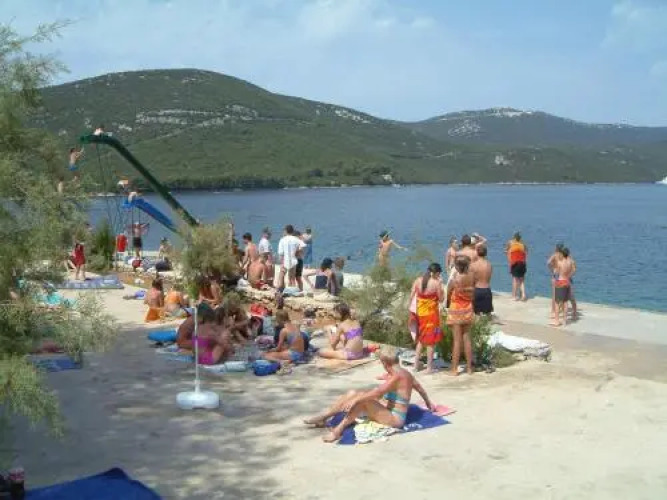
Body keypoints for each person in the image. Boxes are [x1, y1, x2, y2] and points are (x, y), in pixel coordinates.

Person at [304, 346, 435, 443]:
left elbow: (378, 392)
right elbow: (420, 389)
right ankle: (324, 416)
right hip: (387, 409)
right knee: (354, 393)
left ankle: (338, 430)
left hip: (395, 419)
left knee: (363, 400)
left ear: (385, 363)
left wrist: (356, 401)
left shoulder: (397, 377)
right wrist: (429, 403)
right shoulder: (405, 373)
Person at [409, 263, 445, 374]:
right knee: (431, 341)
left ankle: (415, 366)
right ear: (436, 273)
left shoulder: (418, 280)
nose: (439, 276)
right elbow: (441, 299)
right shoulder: (436, 283)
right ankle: (429, 368)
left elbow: (411, 296)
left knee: (421, 339)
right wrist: (441, 285)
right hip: (431, 315)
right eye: (439, 274)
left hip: (420, 313)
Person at [447, 256, 476, 376]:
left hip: (456, 309)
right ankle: (469, 368)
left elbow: (449, 291)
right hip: (468, 308)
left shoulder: (455, 278)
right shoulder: (472, 277)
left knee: (457, 341)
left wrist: (448, 303)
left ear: (457, 266)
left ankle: (454, 369)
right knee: (467, 338)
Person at [277, 224, 305, 291]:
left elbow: (281, 253)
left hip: (285, 260)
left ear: (286, 231)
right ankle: (292, 291)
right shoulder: (296, 239)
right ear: (292, 231)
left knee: (281, 276)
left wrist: (281, 263)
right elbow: (302, 247)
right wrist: (296, 253)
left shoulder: (282, 239)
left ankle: (279, 290)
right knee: (292, 278)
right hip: (293, 260)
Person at [551, 247, 575, 327]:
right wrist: (569, 276)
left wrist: (554, 278)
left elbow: (556, 272)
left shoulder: (560, 262)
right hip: (567, 282)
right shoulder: (570, 262)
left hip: (560, 282)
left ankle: (557, 321)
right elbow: (574, 270)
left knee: (557, 302)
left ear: (562, 254)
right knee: (565, 302)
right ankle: (564, 321)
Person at [471, 245, 493, 315]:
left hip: (477, 289)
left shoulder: (473, 265)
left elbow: (472, 280)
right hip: (487, 290)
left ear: (477, 253)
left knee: (476, 314)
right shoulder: (489, 265)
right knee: (487, 315)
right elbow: (489, 279)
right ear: (486, 253)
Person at [505, 232, 528, 301]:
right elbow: (526, 252)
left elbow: (506, 251)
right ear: (520, 238)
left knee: (514, 280)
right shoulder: (523, 244)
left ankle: (514, 296)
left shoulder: (511, 243)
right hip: (523, 263)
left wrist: (510, 259)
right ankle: (523, 295)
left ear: (514, 238)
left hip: (515, 263)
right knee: (522, 280)